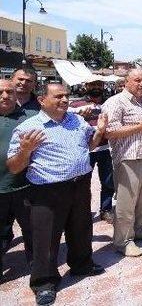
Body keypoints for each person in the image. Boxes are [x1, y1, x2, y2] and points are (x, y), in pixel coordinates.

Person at [7, 83, 106, 305]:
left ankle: (82, 264)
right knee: (46, 238)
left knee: (81, 228)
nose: (65, 100)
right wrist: (25, 150)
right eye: (58, 96)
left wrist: (98, 131)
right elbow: (13, 167)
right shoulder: (29, 127)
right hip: (47, 191)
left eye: (66, 96)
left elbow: (89, 146)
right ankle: (44, 282)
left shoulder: (77, 121)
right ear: (42, 100)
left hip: (80, 185)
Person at [102, 69, 142, 258]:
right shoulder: (115, 102)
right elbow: (110, 132)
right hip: (128, 158)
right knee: (126, 203)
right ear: (126, 82)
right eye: (137, 80)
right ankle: (124, 241)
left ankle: (140, 229)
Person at [0, 80, 35, 280]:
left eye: (9, 92)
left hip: (24, 186)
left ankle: (36, 263)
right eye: (1, 92)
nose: (5, 96)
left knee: (31, 228)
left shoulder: (29, 118)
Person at [70, 80, 115, 223]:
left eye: (99, 85)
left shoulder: (109, 103)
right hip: (85, 149)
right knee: (83, 183)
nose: (96, 88)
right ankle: (83, 211)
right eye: (92, 85)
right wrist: (81, 118)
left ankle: (106, 210)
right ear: (86, 87)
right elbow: (68, 125)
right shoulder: (76, 105)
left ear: (103, 87)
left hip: (106, 149)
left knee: (108, 181)